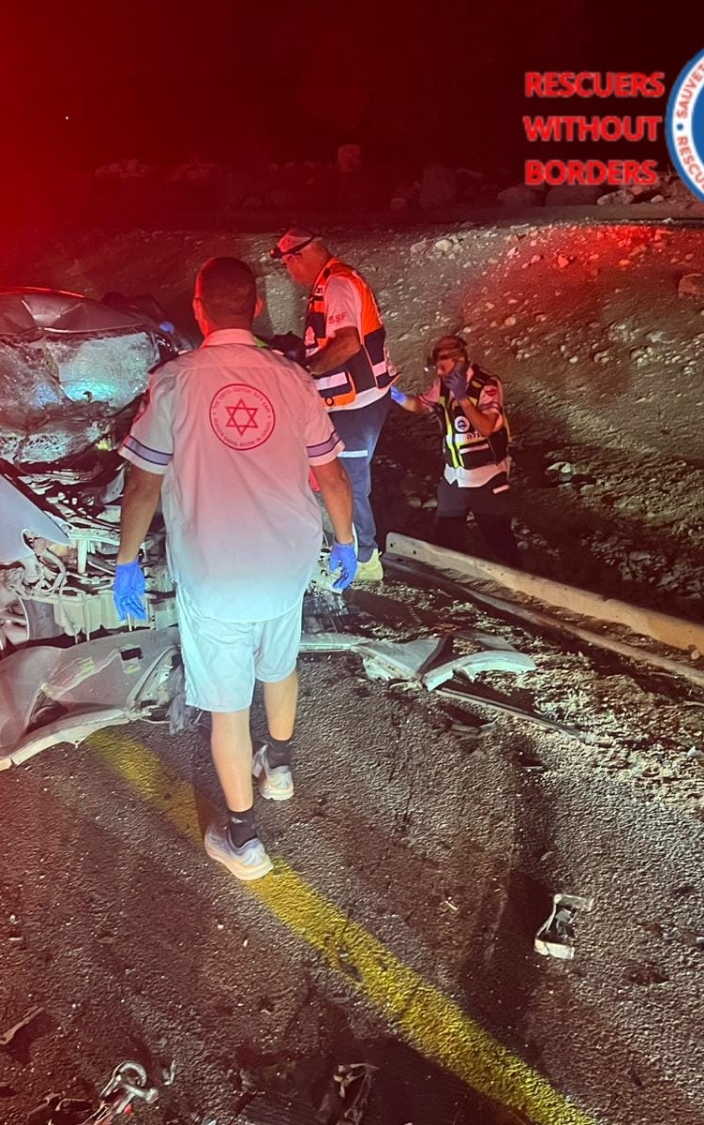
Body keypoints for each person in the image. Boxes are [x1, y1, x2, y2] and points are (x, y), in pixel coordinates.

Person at [113, 257, 358, 882]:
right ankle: (279, 768)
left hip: (214, 572)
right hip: (286, 563)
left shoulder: (174, 383)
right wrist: (347, 542)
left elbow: (143, 485)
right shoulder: (293, 379)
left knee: (228, 707)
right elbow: (332, 475)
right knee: (280, 664)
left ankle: (243, 840)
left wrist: (126, 561)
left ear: (199, 310)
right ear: (256, 308)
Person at [271, 227, 397, 582]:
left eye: (287, 265)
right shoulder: (331, 281)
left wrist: (305, 371)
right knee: (346, 479)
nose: (289, 273)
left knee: (349, 482)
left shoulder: (336, 284)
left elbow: (348, 343)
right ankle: (357, 549)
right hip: (355, 401)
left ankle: (366, 560)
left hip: (355, 405)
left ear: (297, 257)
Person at [390, 334, 521, 567]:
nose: (439, 373)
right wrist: (394, 394)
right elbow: (420, 405)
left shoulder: (487, 384)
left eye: (443, 366)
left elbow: (486, 427)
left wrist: (462, 397)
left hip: (487, 476)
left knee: (498, 538)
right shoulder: (442, 384)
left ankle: (517, 579)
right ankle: (452, 575)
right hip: (454, 476)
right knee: (446, 536)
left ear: (460, 360)